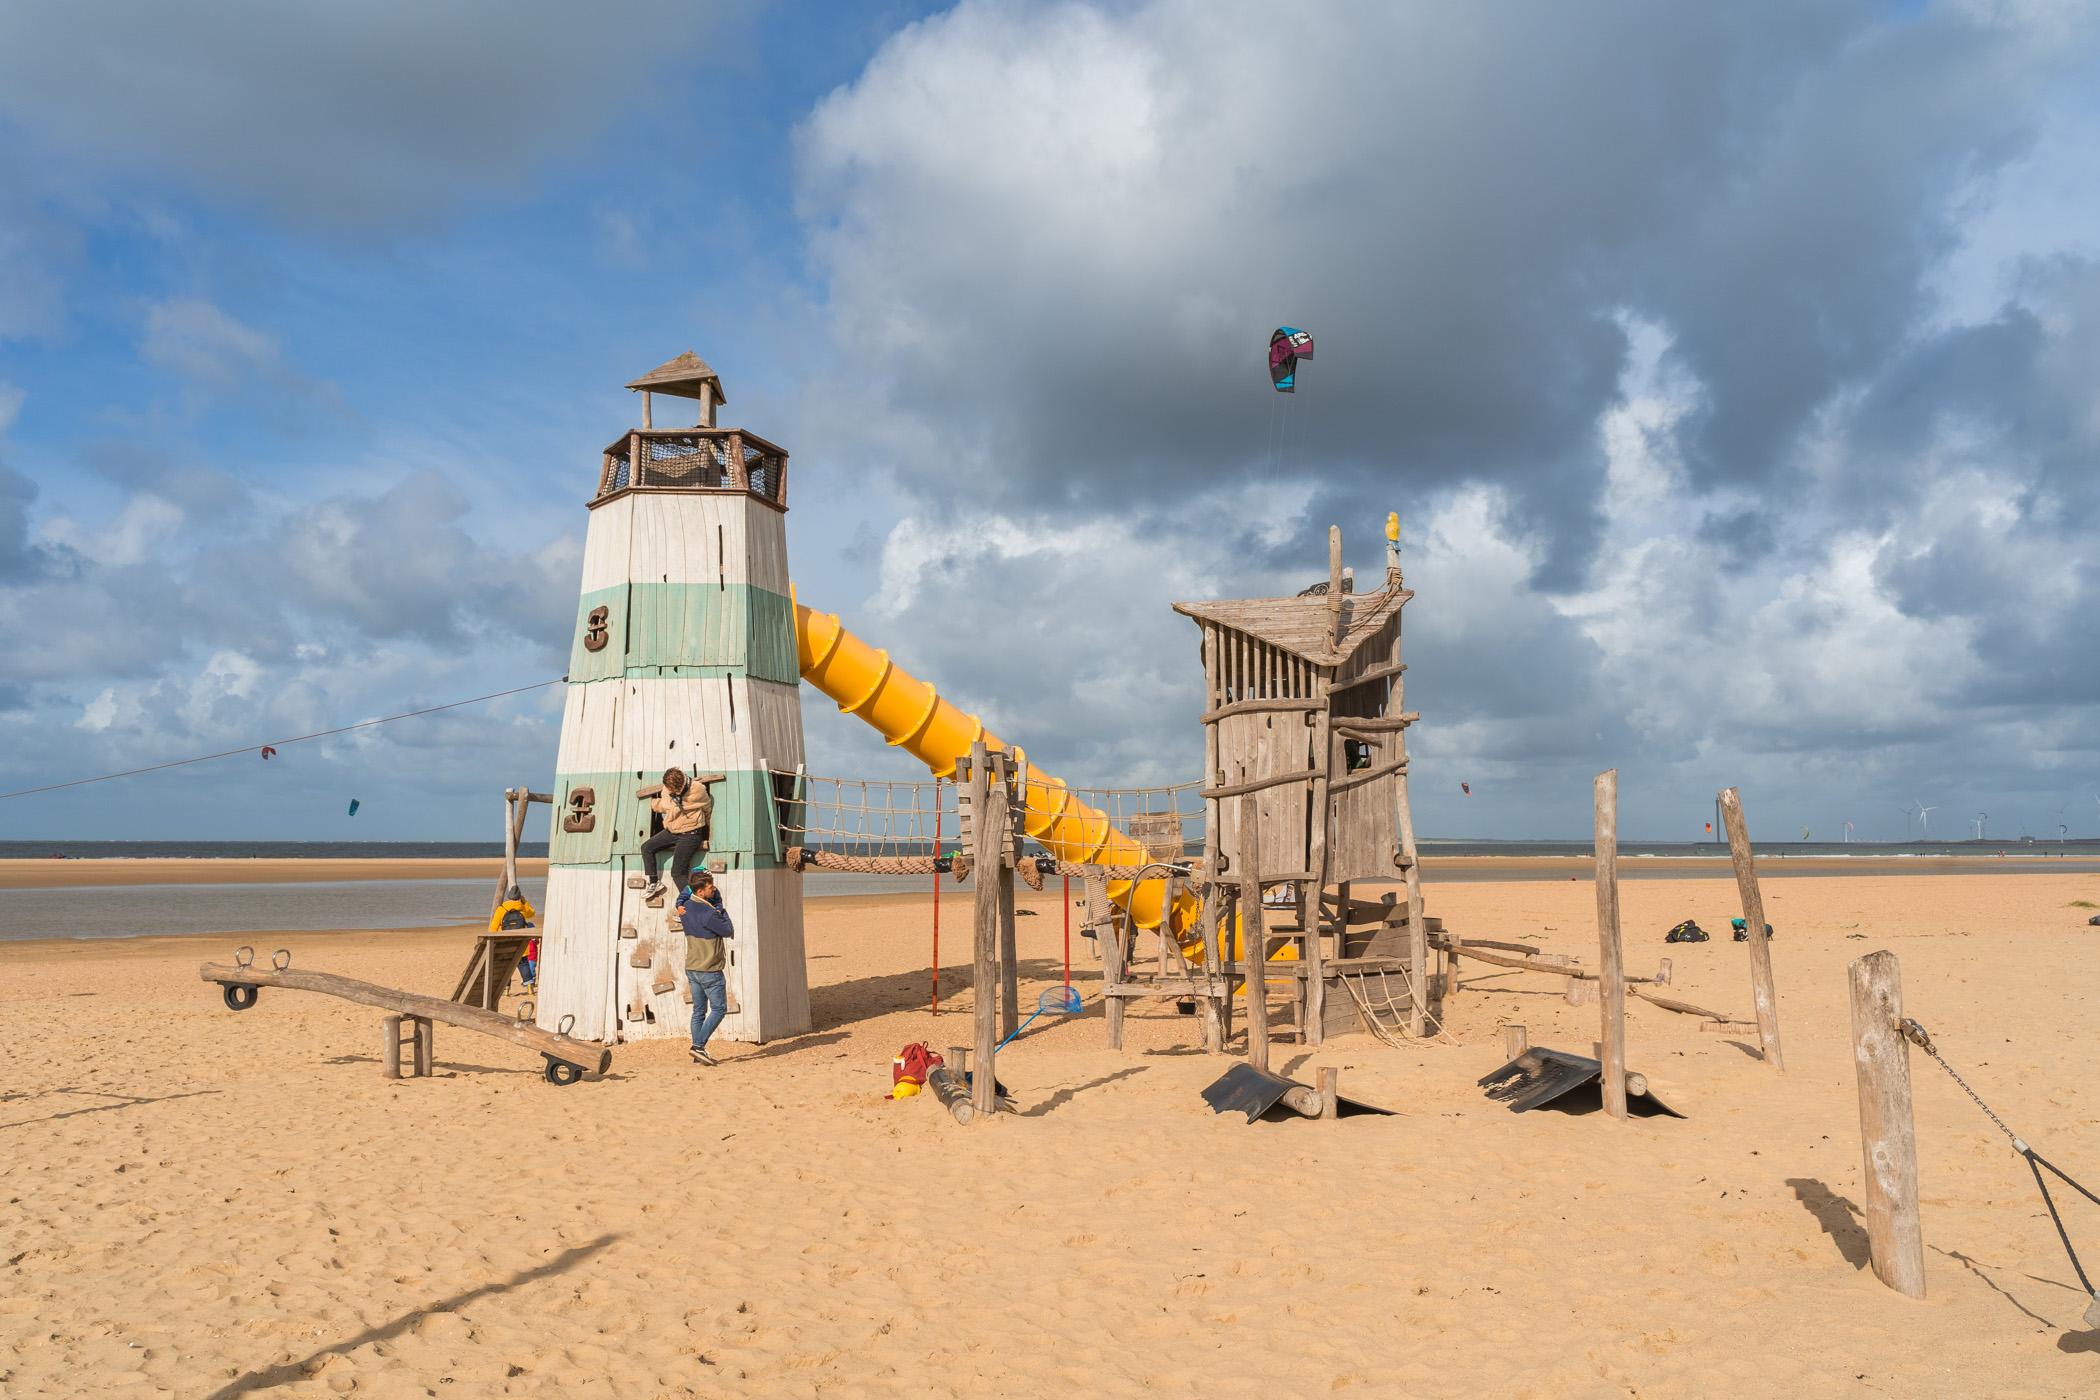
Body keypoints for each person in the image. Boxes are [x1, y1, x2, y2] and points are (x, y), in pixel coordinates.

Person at [678, 871, 734, 1065]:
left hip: (692, 967)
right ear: (701, 892)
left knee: (699, 1011)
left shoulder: (684, 908)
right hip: (709, 969)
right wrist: (721, 908)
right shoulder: (709, 913)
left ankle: (697, 1051)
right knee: (719, 1009)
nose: (714, 888)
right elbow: (728, 930)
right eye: (711, 887)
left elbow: (683, 898)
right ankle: (698, 1046)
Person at [639, 768, 712, 900]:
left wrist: (706, 828)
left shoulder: (698, 789)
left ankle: (692, 905)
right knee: (646, 848)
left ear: (681, 784)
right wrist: (651, 803)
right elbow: (665, 806)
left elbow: (707, 807)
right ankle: (654, 882)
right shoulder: (667, 789)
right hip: (673, 830)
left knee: (677, 873)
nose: (670, 791)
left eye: (673, 790)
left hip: (691, 833)